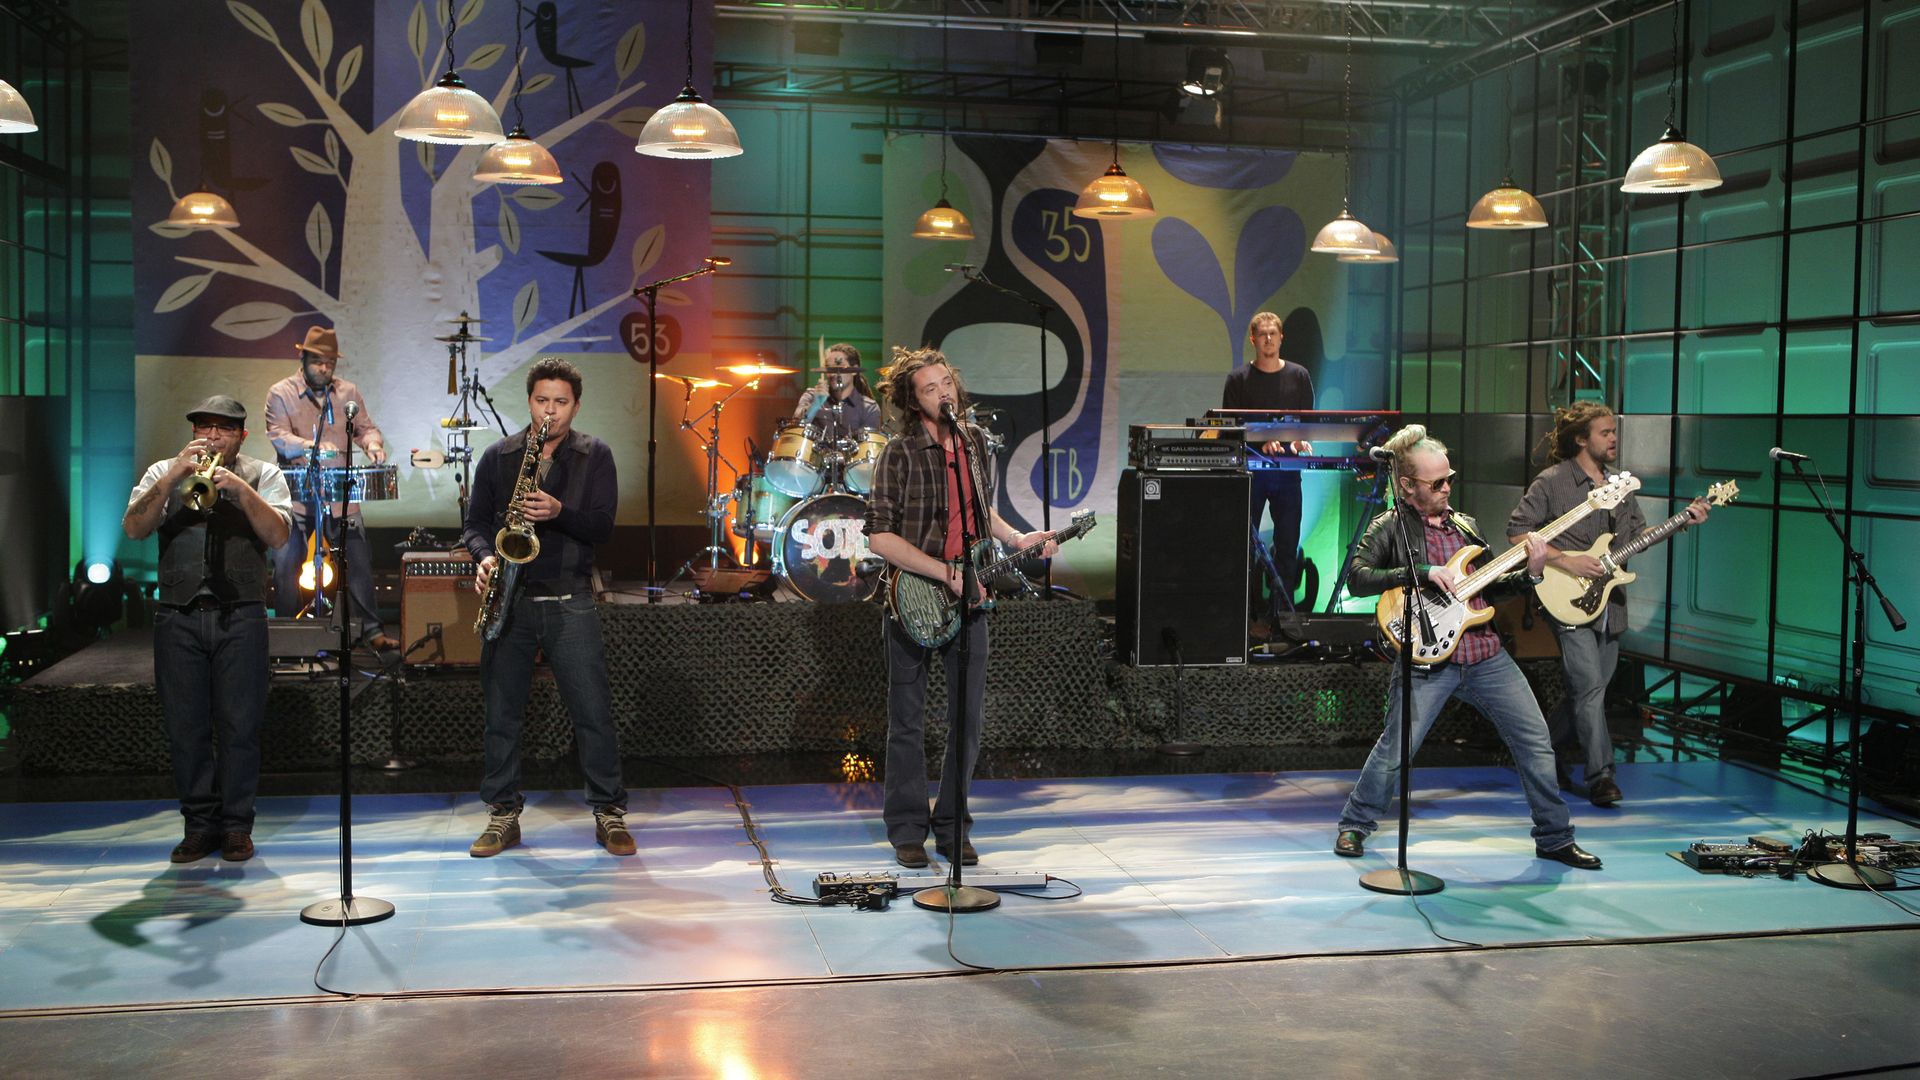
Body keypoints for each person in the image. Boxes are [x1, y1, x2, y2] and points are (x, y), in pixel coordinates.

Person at [1334, 424, 1601, 870]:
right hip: (1427, 660)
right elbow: (1357, 577)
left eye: (1450, 478)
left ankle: (1555, 837)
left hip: (1485, 656)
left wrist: (1533, 573)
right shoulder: (1391, 526)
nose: (1446, 488)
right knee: (1397, 749)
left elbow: (1490, 589)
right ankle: (1355, 824)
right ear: (1407, 486)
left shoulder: (1466, 526)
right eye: (1436, 482)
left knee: (1536, 743)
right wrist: (1421, 572)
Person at [863, 347, 1055, 869]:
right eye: (930, 388)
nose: (943, 393)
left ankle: (952, 827)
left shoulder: (973, 442)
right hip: (913, 596)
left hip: (971, 595)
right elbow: (879, 536)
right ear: (913, 401)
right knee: (907, 721)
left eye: (946, 382)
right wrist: (942, 572)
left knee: (967, 720)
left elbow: (979, 508)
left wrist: (1018, 538)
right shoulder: (899, 453)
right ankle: (907, 831)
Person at [463, 357, 631, 858]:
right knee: (501, 715)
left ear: (576, 406)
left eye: (560, 402)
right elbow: (474, 525)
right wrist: (485, 556)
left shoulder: (595, 455)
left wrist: (559, 512)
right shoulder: (498, 456)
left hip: (569, 597)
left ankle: (608, 812)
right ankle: (502, 815)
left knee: (592, 712)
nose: (549, 412)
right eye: (542, 401)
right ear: (529, 401)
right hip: (510, 599)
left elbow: (602, 527)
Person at [1507, 402, 1709, 807]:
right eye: (1605, 432)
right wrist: (1566, 561)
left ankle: (1536, 751)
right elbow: (1517, 532)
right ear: (1582, 439)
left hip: (1610, 603)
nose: (1614, 438)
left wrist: (1681, 521)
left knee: (1587, 692)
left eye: (1614, 431)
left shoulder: (1620, 484)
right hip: (1566, 598)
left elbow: (1638, 537)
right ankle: (1601, 777)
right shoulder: (1552, 482)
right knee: (1588, 688)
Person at [123, 395, 294, 864]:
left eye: (224, 429)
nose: (212, 437)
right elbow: (134, 528)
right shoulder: (164, 471)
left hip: (240, 615)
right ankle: (199, 826)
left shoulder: (263, 475)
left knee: (240, 726)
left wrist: (239, 490)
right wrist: (174, 477)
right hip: (177, 616)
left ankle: (236, 826)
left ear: (242, 435)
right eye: (204, 427)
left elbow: (279, 536)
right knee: (186, 728)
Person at [263, 326, 397, 650]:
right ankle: (288, 635)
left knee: (358, 561)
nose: (325, 368)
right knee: (285, 564)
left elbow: (365, 428)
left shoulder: (348, 392)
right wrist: (311, 445)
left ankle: (371, 631)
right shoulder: (280, 393)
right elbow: (278, 436)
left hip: (339, 494)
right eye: (318, 362)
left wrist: (373, 444)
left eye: (330, 363)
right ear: (303, 358)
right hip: (296, 495)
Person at [1221, 311, 1313, 629]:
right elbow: (1229, 428)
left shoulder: (1299, 375)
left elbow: (1306, 422)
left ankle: (1282, 618)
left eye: (1273, 334)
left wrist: (1298, 441)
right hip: (1251, 472)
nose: (1269, 339)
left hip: (1287, 472)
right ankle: (1242, 618)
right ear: (1253, 340)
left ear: (1281, 337)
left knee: (1288, 544)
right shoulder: (1238, 379)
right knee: (1244, 545)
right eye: (1263, 335)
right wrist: (1262, 441)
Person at [793, 341, 881, 444]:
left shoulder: (869, 408)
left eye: (839, 366)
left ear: (854, 370)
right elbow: (795, 428)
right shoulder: (811, 396)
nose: (832, 374)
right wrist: (815, 405)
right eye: (829, 368)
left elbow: (868, 448)